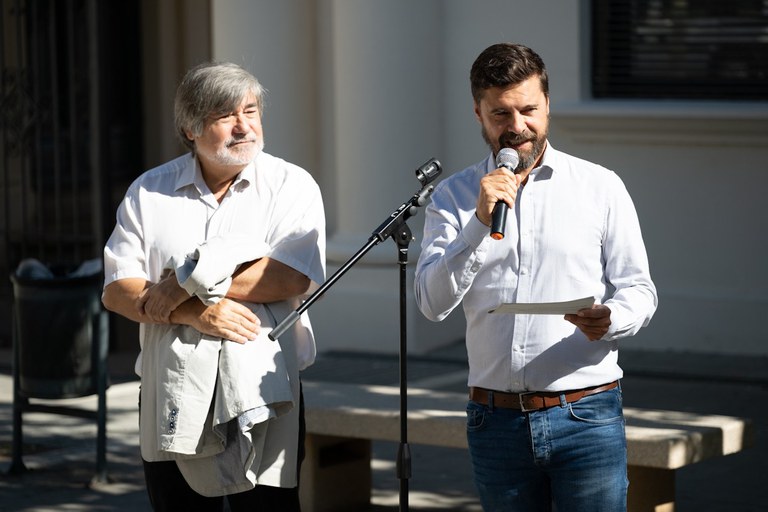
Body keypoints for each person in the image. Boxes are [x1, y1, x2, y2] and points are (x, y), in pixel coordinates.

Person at [414, 43, 657, 511]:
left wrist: (612, 318)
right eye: (500, 114)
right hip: (495, 421)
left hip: (586, 415)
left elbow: (639, 288)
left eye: (528, 110)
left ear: (547, 104)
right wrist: (478, 224)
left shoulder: (599, 186)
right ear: (478, 113)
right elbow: (431, 303)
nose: (517, 126)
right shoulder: (454, 196)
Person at [102, 62, 325, 511]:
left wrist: (183, 286)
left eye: (250, 111)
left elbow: (289, 276)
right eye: (225, 115)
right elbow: (117, 289)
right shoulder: (149, 191)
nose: (244, 126)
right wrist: (193, 311)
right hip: (170, 387)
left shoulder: (291, 184)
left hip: (265, 391)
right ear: (190, 129)